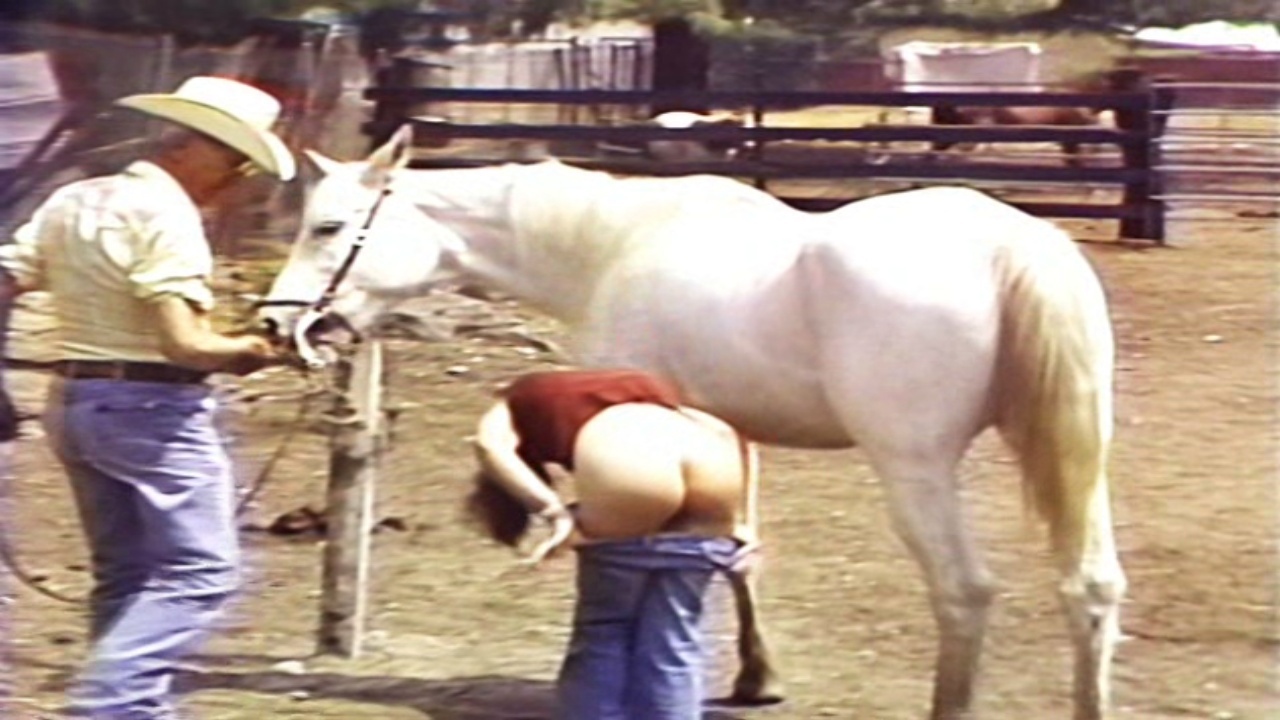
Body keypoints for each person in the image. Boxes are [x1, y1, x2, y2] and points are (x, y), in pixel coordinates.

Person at [0, 76, 296, 719]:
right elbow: (184, 344)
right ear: (202, 150)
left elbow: (7, 280)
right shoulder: (170, 218)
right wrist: (249, 350)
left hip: (75, 399)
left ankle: (126, 710)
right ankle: (111, 702)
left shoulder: (76, 197)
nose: (238, 182)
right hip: (151, 408)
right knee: (203, 573)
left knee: (126, 570)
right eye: (239, 164)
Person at [465, 368, 759, 720]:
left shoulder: (519, 394)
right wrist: (744, 522)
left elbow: (488, 444)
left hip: (630, 463)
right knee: (675, 639)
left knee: (606, 628)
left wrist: (554, 512)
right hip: (714, 465)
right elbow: (729, 433)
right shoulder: (649, 388)